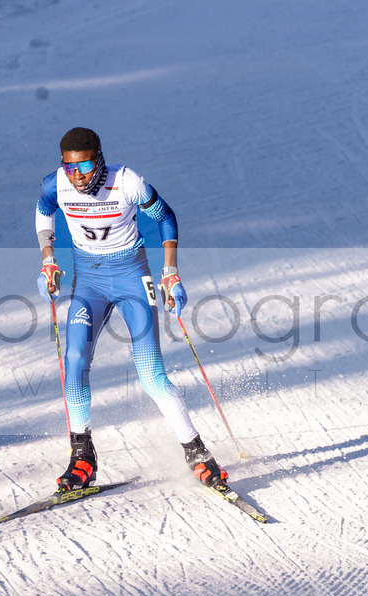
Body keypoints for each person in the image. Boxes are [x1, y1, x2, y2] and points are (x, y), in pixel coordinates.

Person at [35, 127, 228, 493]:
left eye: (85, 165)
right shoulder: (55, 184)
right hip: (88, 282)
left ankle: (196, 451)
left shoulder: (127, 182)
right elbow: (44, 213)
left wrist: (170, 272)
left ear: (100, 160)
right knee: (74, 358)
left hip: (130, 278)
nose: (77, 175)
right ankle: (82, 457)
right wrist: (48, 260)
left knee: (151, 375)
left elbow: (166, 216)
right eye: (70, 167)